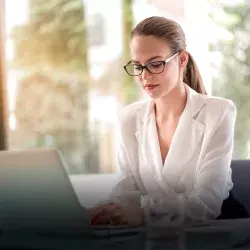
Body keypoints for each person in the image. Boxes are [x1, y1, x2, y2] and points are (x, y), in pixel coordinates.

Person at [89, 16, 237, 227]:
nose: (145, 76)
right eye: (138, 66)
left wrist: (144, 215)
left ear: (182, 59)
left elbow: (207, 202)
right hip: (160, 233)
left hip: (217, 227)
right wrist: (108, 210)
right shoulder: (130, 118)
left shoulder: (219, 111)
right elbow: (126, 189)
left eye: (156, 64)